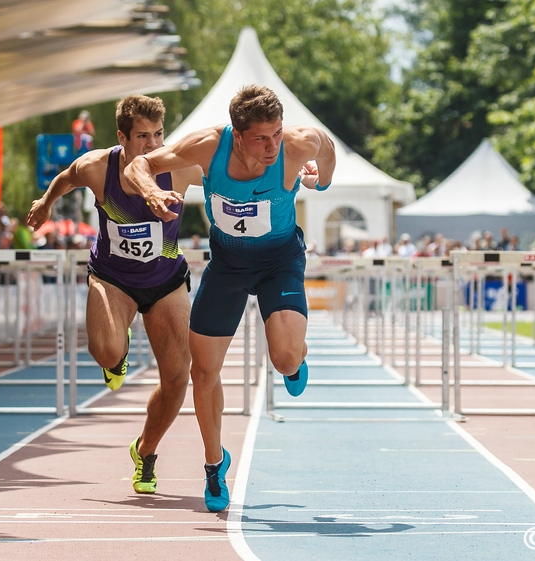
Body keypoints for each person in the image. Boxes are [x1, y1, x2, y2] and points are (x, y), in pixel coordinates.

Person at [124, 83, 336, 512]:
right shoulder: (208, 146)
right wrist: (151, 191)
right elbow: (139, 164)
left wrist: (322, 181)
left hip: (280, 261)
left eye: (276, 133)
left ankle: (296, 355)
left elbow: (327, 146)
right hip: (227, 266)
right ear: (237, 135)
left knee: (285, 359)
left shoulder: (296, 145)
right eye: (261, 137)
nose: (272, 145)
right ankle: (214, 463)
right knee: (203, 371)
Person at [26, 95, 203, 496]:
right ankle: (114, 359)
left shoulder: (182, 166)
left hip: (166, 279)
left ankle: (146, 451)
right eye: (143, 136)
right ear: (122, 137)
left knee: (177, 379)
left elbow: (232, 177)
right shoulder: (98, 166)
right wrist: (46, 202)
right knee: (106, 351)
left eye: (159, 134)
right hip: (112, 277)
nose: (153, 144)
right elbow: (67, 176)